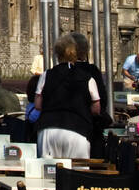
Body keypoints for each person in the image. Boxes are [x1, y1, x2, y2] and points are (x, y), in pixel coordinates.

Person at [35, 32, 100, 160]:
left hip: (49, 128)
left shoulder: (46, 75)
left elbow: (38, 105)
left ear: (57, 54)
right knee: (77, 174)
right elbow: (96, 108)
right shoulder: (88, 78)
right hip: (78, 130)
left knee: (48, 172)